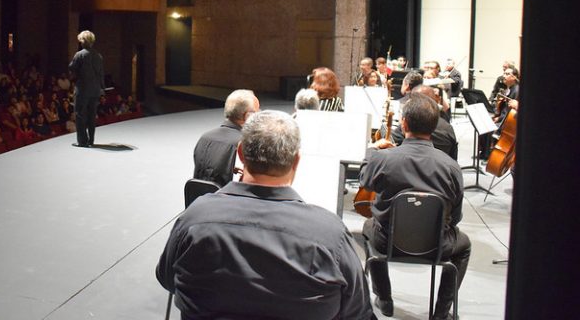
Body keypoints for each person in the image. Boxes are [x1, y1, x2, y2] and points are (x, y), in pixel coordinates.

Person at [157, 110, 374, 320]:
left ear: (240, 153)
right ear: (296, 161)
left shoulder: (195, 217)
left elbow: (167, 279)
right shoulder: (331, 235)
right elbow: (357, 310)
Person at [359, 92, 470, 320]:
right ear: (434, 126)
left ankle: (385, 299)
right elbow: (456, 217)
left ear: (404, 123)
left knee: (368, 227)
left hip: (387, 241)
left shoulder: (383, 159)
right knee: (464, 245)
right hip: (437, 245)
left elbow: (364, 181)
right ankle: (440, 312)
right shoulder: (451, 167)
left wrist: (372, 149)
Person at [192, 89, 259, 187]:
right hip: (228, 201)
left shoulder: (204, 138)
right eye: (257, 112)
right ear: (247, 116)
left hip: (199, 199)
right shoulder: (246, 143)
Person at [68, 30, 105, 147]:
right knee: (91, 115)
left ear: (83, 41)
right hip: (95, 90)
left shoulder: (80, 55)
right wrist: (101, 87)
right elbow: (101, 73)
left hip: (83, 90)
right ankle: (91, 140)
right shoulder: (98, 56)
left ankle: (82, 141)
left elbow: (72, 68)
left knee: (80, 115)